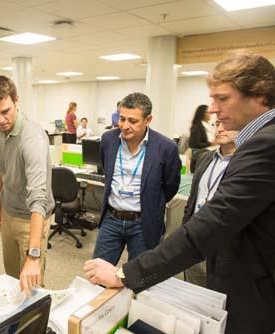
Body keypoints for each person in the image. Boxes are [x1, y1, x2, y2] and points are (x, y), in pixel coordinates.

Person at [84, 51, 275, 334]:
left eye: (222, 98)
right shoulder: (260, 140)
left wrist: (126, 273)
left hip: (254, 286)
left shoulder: (265, 144)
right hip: (115, 219)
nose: (212, 109)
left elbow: (208, 225)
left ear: (259, 94)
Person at [0, 75, 54, 295]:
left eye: (6, 111)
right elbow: (4, 171)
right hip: (10, 213)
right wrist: (1, 209)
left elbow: (38, 197)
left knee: (32, 287)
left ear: (16, 101)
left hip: (33, 219)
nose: (0, 119)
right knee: (12, 282)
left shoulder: (33, 139)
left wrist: (33, 255)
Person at [92, 92, 181, 265]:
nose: (125, 126)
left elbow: (170, 186)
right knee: (97, 275)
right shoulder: (108, 139)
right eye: (122, 118)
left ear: (148, 120)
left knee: (140, 279)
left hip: (144, 222)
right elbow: (106, 171)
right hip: (111, 218)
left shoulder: (166, 147)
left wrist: (152, 201)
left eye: (132, 121)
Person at [182, 120, 238, 287]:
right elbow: (192, 200)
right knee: (191, 295)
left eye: (227, 124)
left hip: (222, 250)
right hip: (194, 241)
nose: (220, 129)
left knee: (218, 302)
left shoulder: (244, 164)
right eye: (217, 124)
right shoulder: (205, 158)